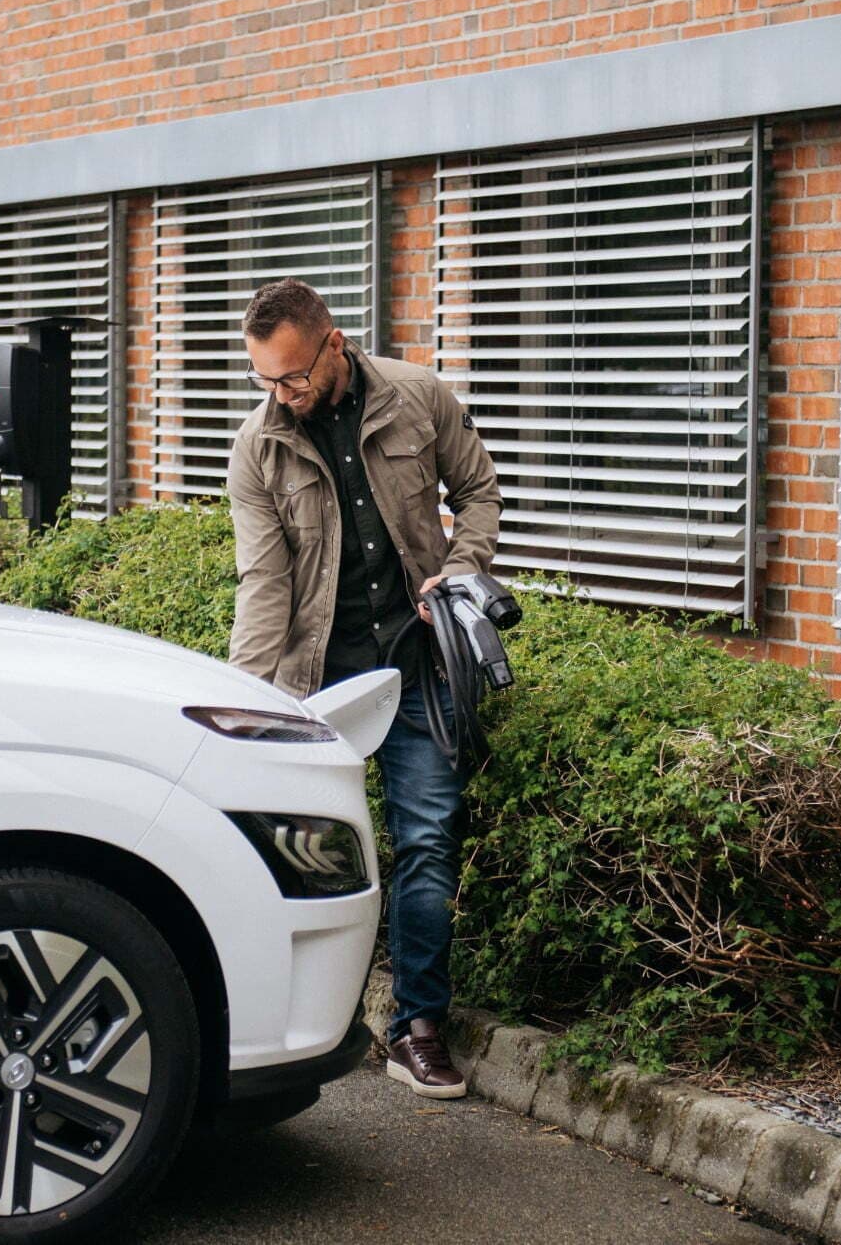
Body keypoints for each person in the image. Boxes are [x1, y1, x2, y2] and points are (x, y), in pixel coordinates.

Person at [225, 277, 502, 1100]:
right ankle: (280, 1015)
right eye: (266, 381)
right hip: (320, 685)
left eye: (294, 377)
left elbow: (479, 492)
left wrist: (457, 573)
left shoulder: (419, 397)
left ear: (333, 345)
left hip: (417, 665)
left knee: (426, 839)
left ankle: (417, 1026)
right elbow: (262, 588)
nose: (283, 395)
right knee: (299, 857)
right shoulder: (259, 447)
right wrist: (247, 707)